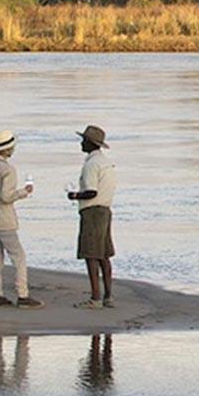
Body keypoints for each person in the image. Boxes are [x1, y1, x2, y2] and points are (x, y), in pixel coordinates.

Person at [0, 130, 43, 308]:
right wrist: (24, 192)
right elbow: (5, 196)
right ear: (8, 149)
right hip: (4, 220)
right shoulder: (7, 169)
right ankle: (23, 295)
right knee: (19, 257)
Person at [66, 124, 117, 308]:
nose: (81, 144)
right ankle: (108, 296)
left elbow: (91, 192)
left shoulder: (91, 165)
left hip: (92, 211)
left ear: (89, 143)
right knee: (104, 255)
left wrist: (74, 195)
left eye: (83, 140)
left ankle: (95, 298)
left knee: (91, 255)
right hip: (105, 210)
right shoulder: (106, 162)